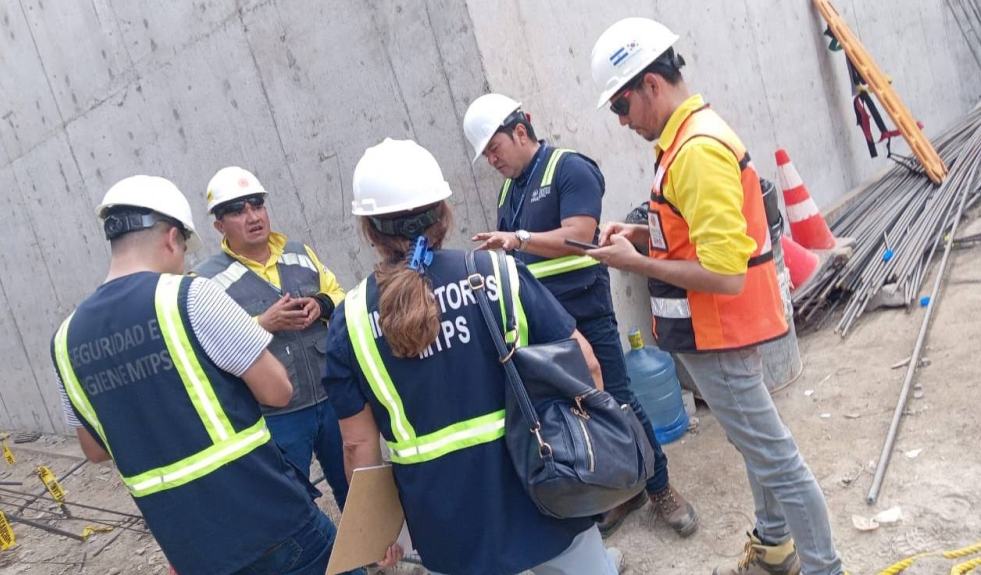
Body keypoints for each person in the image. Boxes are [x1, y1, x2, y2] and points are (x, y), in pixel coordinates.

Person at [588, 18, 847, 575]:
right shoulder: (687, 140)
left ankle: (826, 567)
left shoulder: (697, 151)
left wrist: (636, 262)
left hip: (719, 332)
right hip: (724, 330)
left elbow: (726, 272)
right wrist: (635, 234)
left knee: (777, 460)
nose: (622, 121)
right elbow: (693, 233)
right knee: (760, 449)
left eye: (621, 105)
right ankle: (776, 545)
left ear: (651, 85)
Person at [322, 138, 625, 575]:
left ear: (369, 230)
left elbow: (358, 444)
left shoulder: (349, 320)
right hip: (544, 491)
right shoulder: (498, 272)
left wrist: (378, 532)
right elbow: (587, 361)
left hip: (447, 525)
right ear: (443, 214)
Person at [49, 175, 361, 575]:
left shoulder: (64, 340)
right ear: (171, 238)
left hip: (189, 546)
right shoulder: (188, 295)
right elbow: (279, 390)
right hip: (268, 519)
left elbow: (94, 450)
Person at [462, 93, 698, 537]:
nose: (492, 160)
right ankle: (619, 491)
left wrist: (518, 239)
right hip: (544, 324)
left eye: (494, 148)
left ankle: (660, 488)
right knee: (578, 411)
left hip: (584, 310)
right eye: (486, 155)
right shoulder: (510, 190)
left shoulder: (570, 168)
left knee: (619, 402)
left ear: (519, 131)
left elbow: (579, 234)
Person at [192, 166, 349, 511]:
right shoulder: (205, 282)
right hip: (275, 414)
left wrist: (320, 304)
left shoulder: (299, 251)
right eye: (237, 210)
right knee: (291, 503)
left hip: (331, 394)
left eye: (256, 204)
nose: (252, 216)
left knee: (353, 485)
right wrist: (263, 323)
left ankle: (371, 556)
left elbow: (339, 296)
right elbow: (205, 347)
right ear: (220, 225)